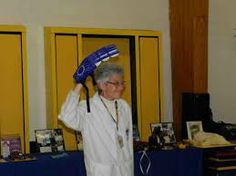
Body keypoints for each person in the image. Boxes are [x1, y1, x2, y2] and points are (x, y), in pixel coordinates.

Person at [58, 63, 134, 176]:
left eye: (122, 83)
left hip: (125, 169)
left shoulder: (124, 106)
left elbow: (128, 143)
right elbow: (66, 117)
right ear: (102, 85)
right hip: (102, 171)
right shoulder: (87, 108)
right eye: (116, 83)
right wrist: (79, 84)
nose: (121, 87)